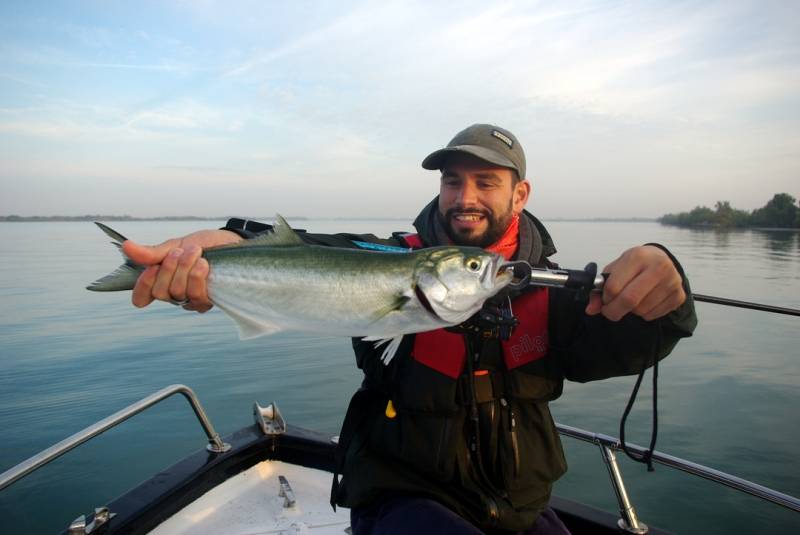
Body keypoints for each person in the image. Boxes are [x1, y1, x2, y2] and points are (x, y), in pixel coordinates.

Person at [123, 124, 697, 534]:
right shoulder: (393, 258)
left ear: (520, 194)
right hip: (402, 500)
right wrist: (227, 248)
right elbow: (323, 253)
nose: (464, 197)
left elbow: (621, 344)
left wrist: (666, 290)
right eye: (452, 181)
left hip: (518, 506)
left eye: (486, 182)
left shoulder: (551, 290)